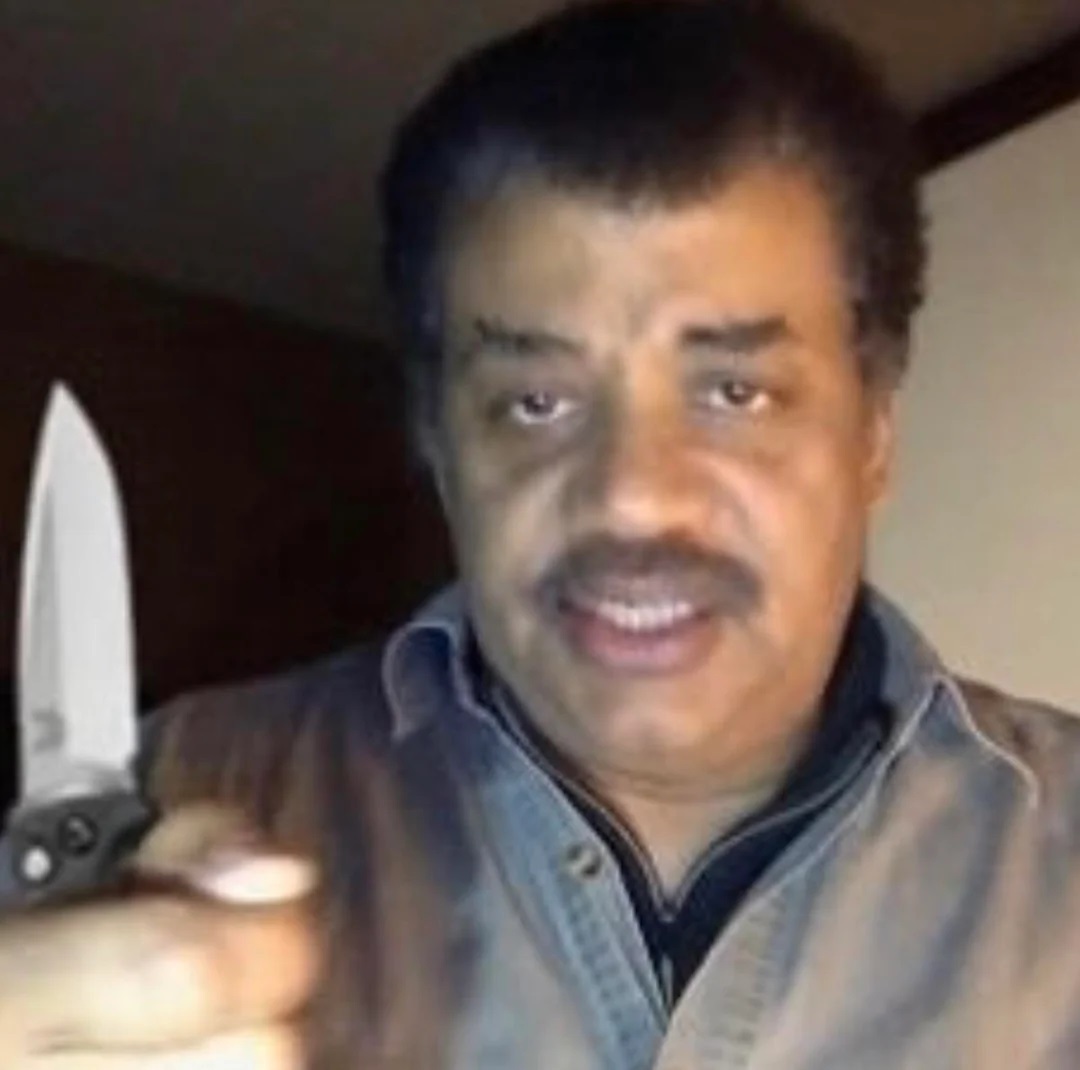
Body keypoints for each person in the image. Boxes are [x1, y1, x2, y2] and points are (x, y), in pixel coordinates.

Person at [3, 1, 1080, 1067]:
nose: (633, 498)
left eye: (735, 391)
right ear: (437, 440)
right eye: (534, 403)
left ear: (874, 430)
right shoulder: (167, 794)